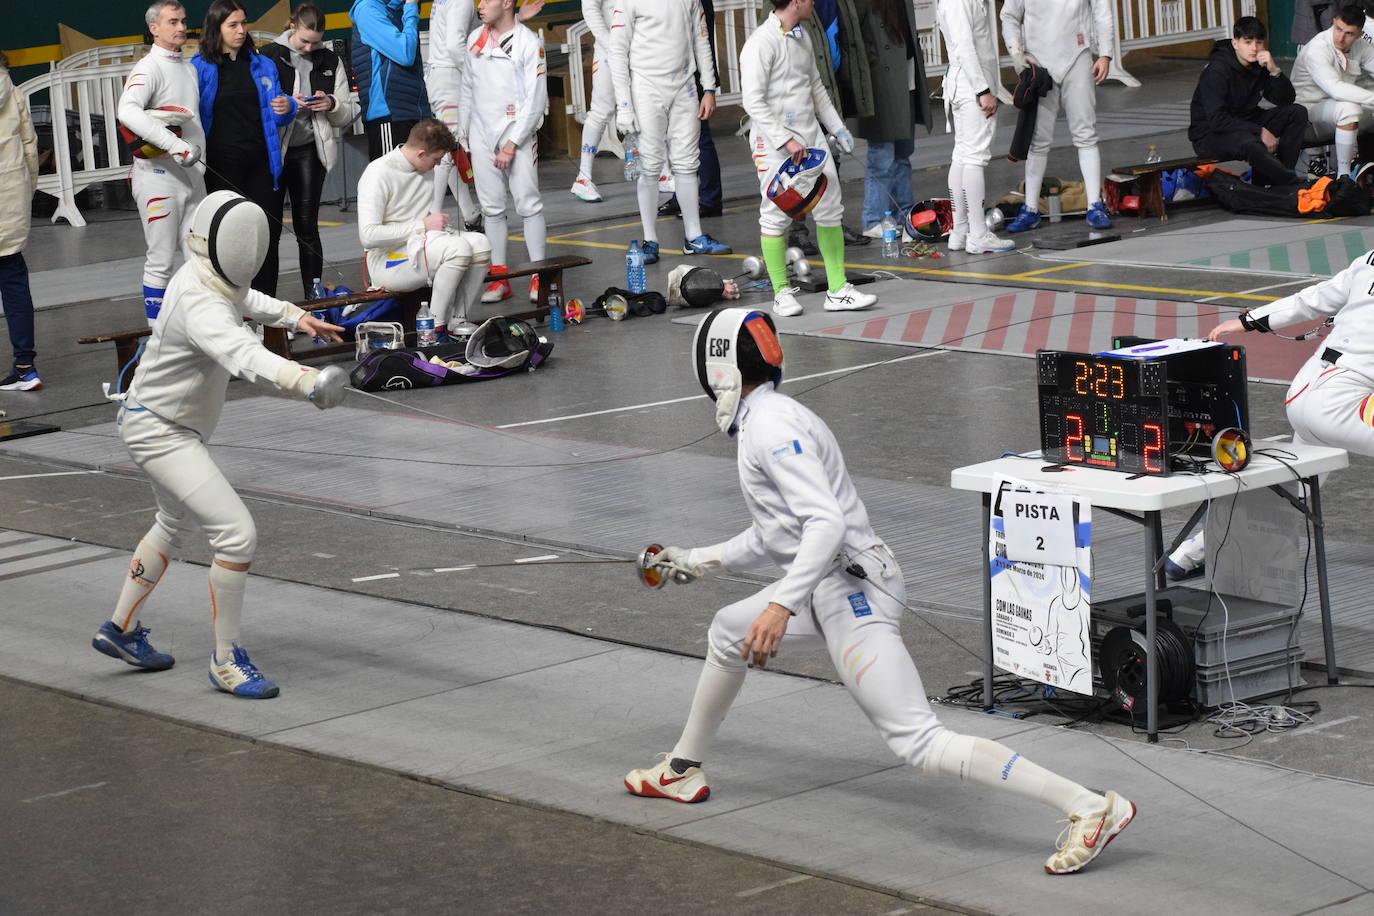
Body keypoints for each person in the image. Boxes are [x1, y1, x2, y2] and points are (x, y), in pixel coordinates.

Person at [624, 307, 1136, 877]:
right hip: (831, 585)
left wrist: (778, 604)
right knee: (727, 631)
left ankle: (1090, 807)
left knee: (918, 742)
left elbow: (824, 525)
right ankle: (682, 768)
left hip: (849, 592)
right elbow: (779, 533)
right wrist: (697, 560)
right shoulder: (767, 419)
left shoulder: (771, 429)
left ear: (715, 370)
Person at [90, 190, 346, 698]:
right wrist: (306, 381)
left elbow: (244, 299)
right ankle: (226, 662)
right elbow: (243, 351)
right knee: (235, 534)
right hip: (160, 431)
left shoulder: (206, 276)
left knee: (173, 521)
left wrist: (295, 317)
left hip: (157, 421)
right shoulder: (201, 305)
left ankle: (119, 629)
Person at [741, 0, 874, 318]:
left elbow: (816, 87)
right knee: (775, 214)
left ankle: (838, 290)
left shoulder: (802, 36)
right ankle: (780, 293)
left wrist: (838, 128)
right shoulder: (760, 43)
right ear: (796, 1)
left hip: (811, 137)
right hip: (773, 144)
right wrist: (784, 139)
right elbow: (753, 101)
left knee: (830, 207)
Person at [610, 0, 730, 263]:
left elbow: (701, 40)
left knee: (687, 162)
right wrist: (624, 106)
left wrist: (708, 88)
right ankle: (650, 241)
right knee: (650, 165)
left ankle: (694, 236)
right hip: (646, 86)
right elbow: (617, 51)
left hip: (685, 85)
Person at [193, 0, 297, 297]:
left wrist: (286, 106)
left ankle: (267, 311)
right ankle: (231, 309)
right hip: (222, 167)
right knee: (228, 240)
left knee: (266, 237)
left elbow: (279, 111)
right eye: (232, 25)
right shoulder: (199, 68)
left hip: (263, 164)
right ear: (216, 28)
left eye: (243, 23)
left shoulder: (262, 63)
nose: (241, 30)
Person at [261, 3, 362, 300]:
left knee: (307, 227)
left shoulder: (329, 59)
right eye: (304, 40)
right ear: (292, 26)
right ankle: (267, 303)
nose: (308, 48)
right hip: (273, 151)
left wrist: (330, 103)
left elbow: (346, 113)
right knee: (270, 231)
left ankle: (314, 298)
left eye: (315, 42)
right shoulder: (268, 56)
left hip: (308, 150)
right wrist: (286, 104)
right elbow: (257, 106)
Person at [357, 118, 492, 338]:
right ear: (421, 153)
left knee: (480, 243)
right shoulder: (377, 173)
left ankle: (457, 322)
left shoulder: (425, 168)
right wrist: (422, 225)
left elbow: (415, 217)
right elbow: (368, 236)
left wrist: (430, 225)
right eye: (436, 159)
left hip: (417, 247)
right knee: (456, 248)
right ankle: (432, 332)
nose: (438, 165)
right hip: (386, 262)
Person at [118, 1, 206, 326]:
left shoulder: (189, 67)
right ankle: (158, 341)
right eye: (172, 22)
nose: (181, 27)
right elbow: (126, 111)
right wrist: (174, 145)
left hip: (194, 181)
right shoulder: (148, 68)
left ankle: (200, 330)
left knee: (200, 259)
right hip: (158, 180)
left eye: (183, 21)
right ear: (155, 27)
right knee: (160, 261)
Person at [459, 0, 548, 305]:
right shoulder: (475, 39)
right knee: (491, 209)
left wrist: (513, 144)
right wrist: (464, 131)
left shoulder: (528, 42)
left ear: (507, 2)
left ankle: (540, 275)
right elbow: (468, 88)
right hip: (481, 135)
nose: (479, 5)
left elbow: (536, 100)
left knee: (528, 203)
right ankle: (500, 279)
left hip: (516, 133)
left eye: (486, 0)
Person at [1000, 0, 1115, 232]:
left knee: (1085, 133)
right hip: (1039, 61)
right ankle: (1031, 209)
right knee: (1038, 140)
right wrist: (1016, 52)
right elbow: (1009, 16)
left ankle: (1095, 205)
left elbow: (1102, 10)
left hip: (1077, 53)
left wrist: (1105, 54)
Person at [428, 0, 542, 223]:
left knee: (452, 150)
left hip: (443, 75)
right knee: (446, 152)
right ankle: (432, 218)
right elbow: (454, 46)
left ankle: (469, 214)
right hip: (451, 77)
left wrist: (516, 17)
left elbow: (488, 31)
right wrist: (481, 72)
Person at [1188, 16, 1309, 188]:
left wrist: (1274, 71)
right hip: (1209, 134)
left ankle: (1276, 181)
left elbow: (1286, 100)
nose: (1254, 48)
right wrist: (1259, 131)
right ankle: (1289, 182)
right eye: (1248, 42)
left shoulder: (1259, 64)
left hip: (1244, 120)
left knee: (1296, 113)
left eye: (1259, 42)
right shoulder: (1217, 70)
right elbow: (1216, 120)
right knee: (1251, 142)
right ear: (1235, 43)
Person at [937, 0, 1015, 255]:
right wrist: (983, 90)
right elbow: (965, 46)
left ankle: (960, 230)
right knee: (975, 157)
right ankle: (979, 233)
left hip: (964, 83)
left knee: (962, 154)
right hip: (971, 85)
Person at [854, 0, 931, 240]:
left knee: (903, 153)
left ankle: (904, 212)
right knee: (881, 157)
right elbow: (854, 35)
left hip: (904, 79)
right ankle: (873, 219)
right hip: (882, 83)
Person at [658, 0, 724, 220]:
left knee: (700, 138)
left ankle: (709, 199)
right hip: (673, 72)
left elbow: (701, 42)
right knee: (676, 140)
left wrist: (708, 87)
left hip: (693, 75)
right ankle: (682, 196)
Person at [1292, 5, 1374, 177]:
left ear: (1359, 34)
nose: (1341, 37)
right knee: (1349, 109)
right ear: (1333, 22)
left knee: (1354, 106)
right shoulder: (1318, 48)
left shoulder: (1361, 44)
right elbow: (1335, 89)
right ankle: (1345, 177)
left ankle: (1364, 163)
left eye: (1349, 33)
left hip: (1335, 107)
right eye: (1338, 29)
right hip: (1307, 115)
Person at [0, 51, 39, 392]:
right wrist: (25, 193)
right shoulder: (11, 89)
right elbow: (30, 149)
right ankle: (25, 366)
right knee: (13, 281)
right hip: (10, 197)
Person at [352, 0, 430, 160]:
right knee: (393, 182)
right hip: (389, 115)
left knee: (422, 183)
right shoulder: (367, 9)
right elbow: (405, 54)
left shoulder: (397, 9)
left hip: (413, 112)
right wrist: (410, 9)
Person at [570, 0, 616, 202]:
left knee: (649, 105)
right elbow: (590, 9)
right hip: (610, 51)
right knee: (601, 110)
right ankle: (584, 178)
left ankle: (664, 172)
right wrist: (611, 45)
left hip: (641, 47)